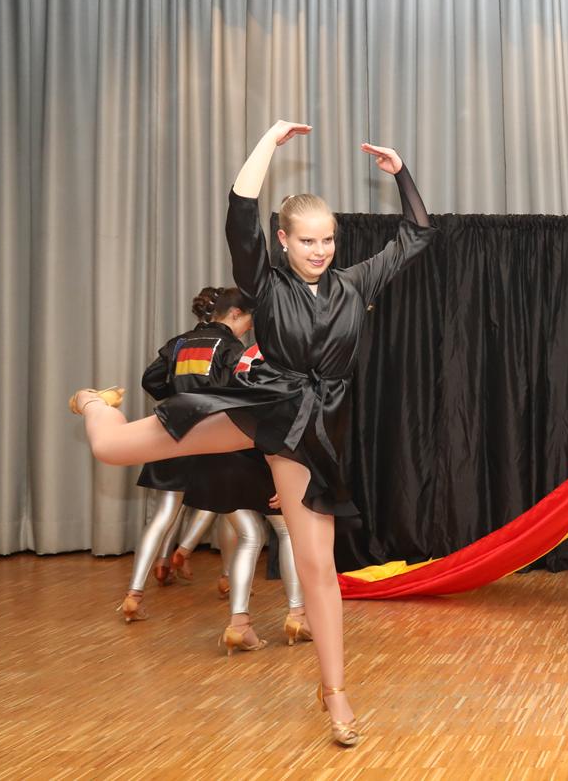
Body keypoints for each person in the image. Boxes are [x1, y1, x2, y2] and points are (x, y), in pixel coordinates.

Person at [69, 120, 435, 746]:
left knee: (318, 568)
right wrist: (268, 143)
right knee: (110, 448)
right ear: (283, 240)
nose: (320, 250)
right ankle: (93, 401)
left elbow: (418, 234)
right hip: (259, 407)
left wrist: (401, 174)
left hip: (310, 433)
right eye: (307, 241)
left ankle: (335, 694)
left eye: (328, 240)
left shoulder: (356, 284)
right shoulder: (266, 285)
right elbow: (240, 215)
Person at [116, 287, 253, 623]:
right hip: (213, 439)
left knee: (163, 516)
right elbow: (240, 390)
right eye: (247, 322)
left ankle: (134, 594)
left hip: (173, 434)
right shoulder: (232, 347)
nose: (248, 329)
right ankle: (230, 585)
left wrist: (177, 395)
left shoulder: (178, 342)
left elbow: (151, 380)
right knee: (235, 516)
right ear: (235, 314)